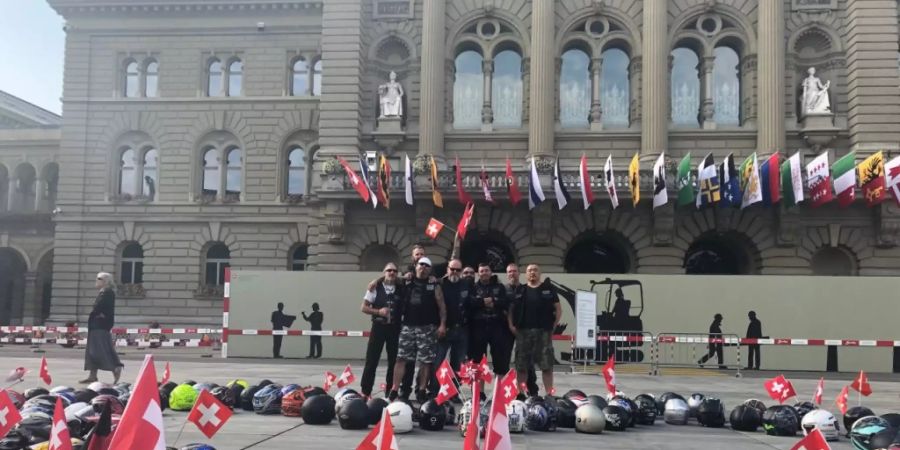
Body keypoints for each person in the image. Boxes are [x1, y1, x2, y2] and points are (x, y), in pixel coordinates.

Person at [388, 257, 447, 403]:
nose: (424, 267)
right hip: (407, 326)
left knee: (425, 361)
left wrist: (442, 325)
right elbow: (389, 276)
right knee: (401, 359)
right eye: (421, 264)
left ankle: (421, 390)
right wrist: (374, 282)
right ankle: (394, 389)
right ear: (416, 266)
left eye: (427, 266)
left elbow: (442, 307)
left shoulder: (434, 285)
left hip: (427, 328)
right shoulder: (406, 281)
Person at [509, 264, 561, 396]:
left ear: (540, 273)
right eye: (529, 270)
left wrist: (553, 326)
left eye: (535, 270)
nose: (532, 272)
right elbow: (511, 310)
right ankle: (520, 393)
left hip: (543, 332)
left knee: (547, 366)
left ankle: (549, 394)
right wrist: (511, 325)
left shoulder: (548, 289)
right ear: (526, 274)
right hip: (523, 332)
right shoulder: (520, 290)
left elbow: (558, 309)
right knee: (521, 367)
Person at [428, 259, 472, 399]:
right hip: (444, 329)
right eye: (452, 269)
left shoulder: (467, 285)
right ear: (447, 269)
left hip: (462, 330)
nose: (454, 272)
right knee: (438, 362)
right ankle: (434, 391)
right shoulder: (439, 284)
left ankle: (453, 393)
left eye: (457, 270)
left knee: (457, 364)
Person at [361, 263, 404, 398]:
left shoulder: (401, 288)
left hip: (395, 329)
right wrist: (378, 311)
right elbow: (363, 307)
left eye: (394, 271)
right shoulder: (375, 287)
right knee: (371, 360)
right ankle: (365, 391)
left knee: (393, 361)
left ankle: (389, 392)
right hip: (378, 327)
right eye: (389, 270)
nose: (391, 272)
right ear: (384, 272)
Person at [468, 263, 510, 394]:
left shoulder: (499, 287)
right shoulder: (473, 287)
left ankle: (500, 392)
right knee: (478, 362)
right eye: (481, 271)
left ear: (491, 272)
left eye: (487, 270)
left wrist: (490, 300)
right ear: (478, 273)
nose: (484, 273)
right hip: (478, 327)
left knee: (500, 360)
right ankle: (478, 392)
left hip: (497, 327)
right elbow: (471, 303)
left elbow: (505, 302)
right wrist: (485, 302)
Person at [81, 272, 124, 384]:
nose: (96, 280)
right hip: (97, 324)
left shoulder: (107, 292)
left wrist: (97, 313)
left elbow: (99, 307)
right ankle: (92, 375)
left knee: (99, 350)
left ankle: (115, 367)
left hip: (100, 324)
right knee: (93, 350)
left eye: (99, 278)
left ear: (105, 281)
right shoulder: (103, 292)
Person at [504, 263, 539, 397]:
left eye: (514, 271)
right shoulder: (503, 289)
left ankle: (531, 389)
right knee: (504, 361)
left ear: (519, 273)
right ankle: (508, 390)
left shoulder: (526, 289)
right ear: (507, 274)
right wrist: (511, 326)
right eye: (509, 272)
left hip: (524, 330)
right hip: (506, 330)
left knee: (527, 362)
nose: (512, 274)